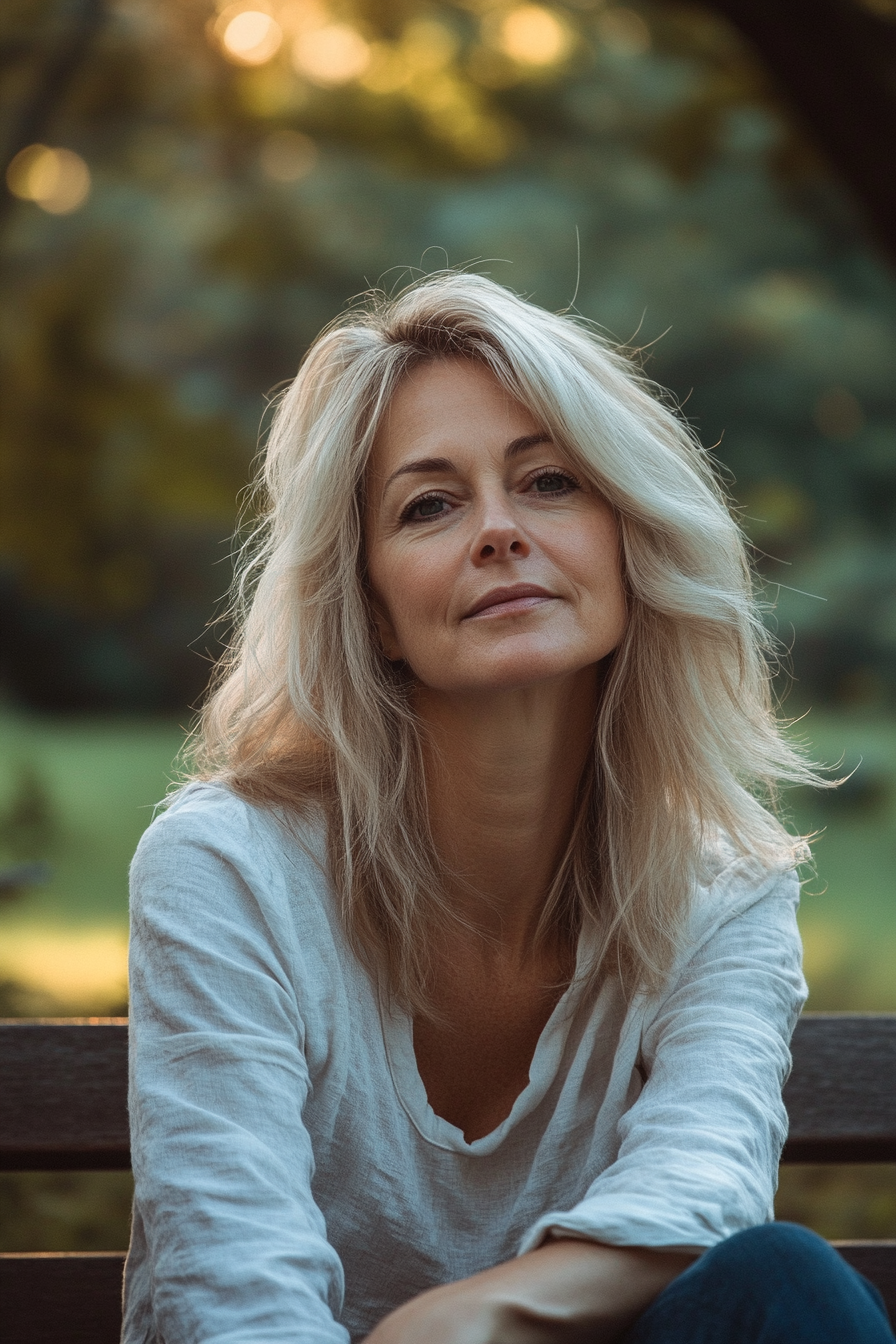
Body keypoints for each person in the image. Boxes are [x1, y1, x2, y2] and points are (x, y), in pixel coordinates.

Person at [122, 272, 894, 1344]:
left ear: (627, 540)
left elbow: (706, 1184)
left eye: (547, 483)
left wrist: (478, 1317)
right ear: (375, 611)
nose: (496, 531)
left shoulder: (721, 887)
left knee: (780, 1282)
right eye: (429, 505)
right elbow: (232, 1298)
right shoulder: (230, 868)